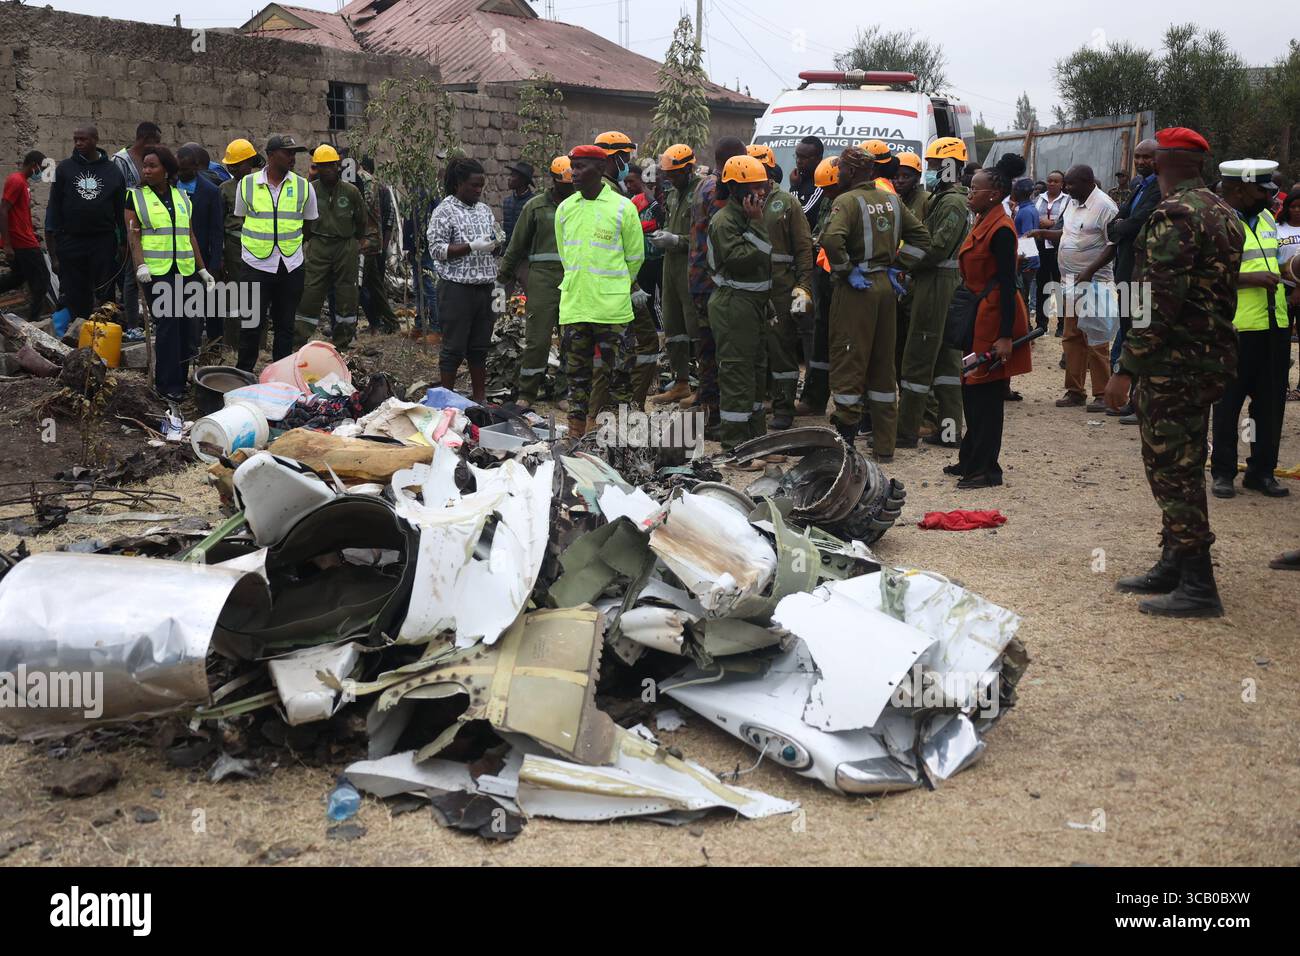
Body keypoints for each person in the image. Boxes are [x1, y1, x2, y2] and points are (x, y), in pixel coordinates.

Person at [1104, 126, 1243, 618]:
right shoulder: (1220, 209)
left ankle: (1199, 586)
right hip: (1205, 359)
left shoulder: (1177, 213)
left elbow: (1157, 302)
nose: (1145, 163)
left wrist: (1126, 368)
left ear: (1165, 163)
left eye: (1152, 158)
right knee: (1183, 462)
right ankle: (1174, 562)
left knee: (1172, 469)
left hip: (1174, 365)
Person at [821, 145, 930, 460]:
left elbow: (831, 240)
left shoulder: (846, 201)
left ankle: (845, 445)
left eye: (840, 168)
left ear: (853, 171)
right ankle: (885, 446)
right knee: (883, 366)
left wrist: (845, 269)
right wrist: (899, 267)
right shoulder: (892, 200)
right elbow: (923, 239)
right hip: (886, 287)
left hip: (858, 289)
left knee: (848, 361)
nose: (838, 173)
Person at [945, 154, 1032, 488]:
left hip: (994, 316)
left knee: (986, 394)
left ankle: (986, 470)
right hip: (979, 312)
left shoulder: (1002, 229)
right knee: (971, 386)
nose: (969, 193)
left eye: (975, 189)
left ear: (994, 194)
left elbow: (1009, 285)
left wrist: (1006, 336)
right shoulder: (984, 219)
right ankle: (970, 459)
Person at [1210, 158, 1290, 499]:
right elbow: (1204, 275)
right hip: (1236, 326)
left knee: (1269, 405)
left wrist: (1291, 269)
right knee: (1229, 404)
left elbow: (1272, 262)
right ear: (1241, 189)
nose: (1270, 196)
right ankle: (1224, 472)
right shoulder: (1217, 222)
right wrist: (1248, 279)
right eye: (1262, 190)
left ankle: (1261, 471)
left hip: (1276, 324)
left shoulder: (1270, 219)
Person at [555, 144, 642, 437]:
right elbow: (566, 255)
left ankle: (620, 438)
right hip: (575, 306)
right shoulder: (565, 209)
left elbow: (635, 259)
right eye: (572, 166)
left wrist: (612, 286)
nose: (573, 173)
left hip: (612, 309)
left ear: (600, 169)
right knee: (576, 377)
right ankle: (575, 434)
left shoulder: (622, 208)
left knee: (620, 375)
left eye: (580, 166)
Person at [1077, 138, 1161, 422]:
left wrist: (1122, 227)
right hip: (1125, 273)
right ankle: (1134, 399)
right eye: (1137, 156)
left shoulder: (1160, 188)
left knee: (1143, 335)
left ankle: (1144, 403)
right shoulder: (1139, 185)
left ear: (1159, 158)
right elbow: (1119, 224)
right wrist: (1122, 227)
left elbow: (1137, 222)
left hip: (1144, 276)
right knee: (1128, 335)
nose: (1140, 162)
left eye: (1146, 157)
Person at [124, 145, 216, 400]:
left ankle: (181, 380)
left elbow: (190, 235)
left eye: (153, 166)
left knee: (188, 327)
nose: (147, 170)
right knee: (169, 325)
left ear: (166, 170)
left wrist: (202, 269)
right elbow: (133, 236)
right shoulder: (135, 197)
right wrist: (140, 264)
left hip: (185, 269)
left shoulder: (182, 197)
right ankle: (167, 385)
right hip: (156, 272)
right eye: (145, 166)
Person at [896, 137, 970, 449]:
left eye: (936, 166)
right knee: (945, 363)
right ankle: (949, 431)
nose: (931, 171)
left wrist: (900, 263)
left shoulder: (952, 201)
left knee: (918, 358)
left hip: (938, 282)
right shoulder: (944, 198)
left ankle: (906, 432)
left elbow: (936, 247)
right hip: (941, 280)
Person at [1030, 165, 1118, 410]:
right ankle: (1075, 391)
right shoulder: (1072, 203)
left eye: (1071, 184)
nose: (1067, 188)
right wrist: (1044, 233)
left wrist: (1089, 271)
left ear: (1088, 182)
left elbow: (1114, 244)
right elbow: (1069, 234)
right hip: (1070, 283)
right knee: (1072, 338)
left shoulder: (1105, 206)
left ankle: (1102, 394)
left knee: (1097, 340)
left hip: (1095, 284)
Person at [707, 154, 773, 458]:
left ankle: (757, 443)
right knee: (737, 375)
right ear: (736, 189)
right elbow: (742, 261)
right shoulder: (725, 221)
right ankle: (736, 448)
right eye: (755, 187)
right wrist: (758, 226)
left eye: (763, 185)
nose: (761, 191)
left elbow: (762, 268)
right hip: (733, 305)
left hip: (753, 304)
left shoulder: (747, 218)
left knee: (757, 373)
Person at [234, 134, 318, 371]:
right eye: (287, 152)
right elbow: (242, 217)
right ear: (271, 155)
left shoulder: (304, 187)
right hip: (255, 265)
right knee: (251, 324)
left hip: (290, 265)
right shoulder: (247, 184)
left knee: (285, 325)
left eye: (294, 153)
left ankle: (280, 374)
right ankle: (243, 374)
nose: (292, 157)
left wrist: (289, 248)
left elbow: (308, 224)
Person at [497, 155, 574, 407]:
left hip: (574, 278)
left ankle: (563, 392)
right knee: (538, 339)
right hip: (542, 277)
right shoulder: (536, 207)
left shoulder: (580, 205)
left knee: (571, 339)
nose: (570, 187)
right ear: (554, 179)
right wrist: (502, 279)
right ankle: (527, 393)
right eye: (565, 183)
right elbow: (516, 244)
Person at [590, 131, 658, 410]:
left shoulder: (597, 191)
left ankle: (601, 411)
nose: (628, 164)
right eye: (626, 157)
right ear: (615, 157)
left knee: (605, 349)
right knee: (644, 343)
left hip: (605, 284)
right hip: (619, 285)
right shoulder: (611, 196)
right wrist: (633, 287)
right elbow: (613, 246)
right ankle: (630, 405)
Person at [748, 143, 813, 430]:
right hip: (749, 285)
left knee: (781, 347)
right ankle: (759, 404)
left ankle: (784, 407)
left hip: (781, 286)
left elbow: (803, 249)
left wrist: (804, 287)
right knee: (754, 347)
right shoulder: (742, 201)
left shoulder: (786, 202)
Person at [426, 157, 501, 402]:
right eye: (473, 185)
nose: (478, 190)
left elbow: (496, 238)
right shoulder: (444, 211)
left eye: (481, 185)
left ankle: (480, 398)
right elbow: (436, 250)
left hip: (485, 287)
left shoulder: (484, 210)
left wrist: (495, 245)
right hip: (457, 288)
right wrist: (470, 246)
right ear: (459, 184)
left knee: (479, 347)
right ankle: (447, 399)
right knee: (454, 348)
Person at [688, 137, 747, 426]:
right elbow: (725, 233)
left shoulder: (703, 184)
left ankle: (705, 404)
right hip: (712, 280)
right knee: (716, 348)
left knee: (707, 347)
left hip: (700, 277)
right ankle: (712, 414)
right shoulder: (717, 190)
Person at [45, 125, 126, 323]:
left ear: (95, 140)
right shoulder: (64, 169)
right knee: (74, 292)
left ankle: (106, 334)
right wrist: (54, 252)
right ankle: (76, 334)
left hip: (103, 241)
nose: (79, 143)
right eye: (76, 139)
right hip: (71, 241)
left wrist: (123, 242)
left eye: (84, 139)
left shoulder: (112, 171)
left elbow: (121, 211)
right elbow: (54, 210)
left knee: (106, 291)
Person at [295, 145, 366, 350]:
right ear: (316, 167)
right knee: (311, 291)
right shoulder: (310, 190)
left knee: (346, 293)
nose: (328, 170)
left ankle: (342, 340)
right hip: (318, 245)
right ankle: (299, 339)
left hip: (345, 246)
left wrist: (356, 243)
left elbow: (361, 221)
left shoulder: (351, 191)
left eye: (331, 166)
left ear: (338, 166)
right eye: (322, 166)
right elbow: (303, 221)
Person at [647, 144, 698, 405]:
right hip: (671, 267)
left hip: (692, 268)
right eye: (668, 175)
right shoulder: (674, 194)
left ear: (689, 168)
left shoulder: (701, 191)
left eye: (675, 174)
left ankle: (703, 383)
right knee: (673, 325)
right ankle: (681, 382)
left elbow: (704, 238)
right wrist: (663, 235)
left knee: (696, 327)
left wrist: (676, 239)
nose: (671, 179)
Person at [796, 155, 842, 417]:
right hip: (824, 276)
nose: (825, 194)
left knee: (846, 344)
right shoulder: (828, 199)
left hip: (844, 280)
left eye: (828, 188)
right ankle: (814, 399)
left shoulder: (850, 202)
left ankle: (854, 411)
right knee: (820, 340)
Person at [111, 122, 162, 335]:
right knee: (132, 278)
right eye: (156, 142)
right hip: (129, 228)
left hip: (150, 229)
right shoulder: (120, 162)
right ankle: (132, 325)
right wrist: (122, 236)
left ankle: (152, 322)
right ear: (146, 139)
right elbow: (116, 200)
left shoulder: (148, 161)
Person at [176, 143, 224, 349]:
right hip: (176, 256)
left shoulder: (210, 191)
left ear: (196, 167)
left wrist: (214, 263)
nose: (181, 173)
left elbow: (216, 229)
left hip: (201, 256)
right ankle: (186, 345)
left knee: (206, 304)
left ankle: (210, 345)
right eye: (178, 168)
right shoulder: (171, 187)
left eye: (185, 169)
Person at [218, 140, 262, 353]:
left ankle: (258, 342)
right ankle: (233, 343)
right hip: (234, 246)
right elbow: (219, 222)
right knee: (235, 293)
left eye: (237, 164)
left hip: (259, 245)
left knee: (258, 293)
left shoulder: (262, 185)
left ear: (250, 163)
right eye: (230, 165)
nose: (232, 168)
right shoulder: (225, 189)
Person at [0, 151, 50, 322]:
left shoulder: (24, 183)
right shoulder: (16, 181)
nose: (41, 173)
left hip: (25, 238)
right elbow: (3, 210)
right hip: (23, 243)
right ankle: (33, 323)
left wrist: (32, 229)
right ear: (34, 164)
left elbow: (18, 213)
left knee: (17, 278)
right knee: (42, 280)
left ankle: (32, 322)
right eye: (41, 169)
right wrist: (7, 244)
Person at [357, 156, 399, 334]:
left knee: (360, 285)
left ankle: (375, 322)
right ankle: (388, 322)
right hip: (376, 242)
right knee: (374, 284)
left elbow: (365, 211)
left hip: (366, 243)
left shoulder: (363, 183)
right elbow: (389, 218)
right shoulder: (380, 186)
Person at [1033, 170, 1069, 333]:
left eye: (1056, 181)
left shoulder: (1068, 201)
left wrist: (1051, 223)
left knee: (1059, 285)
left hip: (1058, 248)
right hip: (1040, 247)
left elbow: (1068, 223)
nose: (1052, 184)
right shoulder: (1038, 199)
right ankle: (1041, 323)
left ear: (1062, 184)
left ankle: (1062, 324)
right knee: (1041, 285)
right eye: (1050, 180)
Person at [1276, 192, 1300, 397]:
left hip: (1299, 291)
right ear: (1286, 207)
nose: (1297, 210)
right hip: (1283, 288)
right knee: (1281, 340)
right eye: (1293, 206)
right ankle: (1281, 383)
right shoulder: (1277, 229)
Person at [788, 136, 826, 230]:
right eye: (797, 156)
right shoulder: (799, 177)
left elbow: (801, 213)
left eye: (803, 157)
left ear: (818, 159)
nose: (798, 161)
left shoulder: (822, 181)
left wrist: (794, 187)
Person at [502, 161, 535, 242]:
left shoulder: (533, 203)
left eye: (513, 176)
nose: (509, 178)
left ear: (523, 180)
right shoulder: (507, 202)